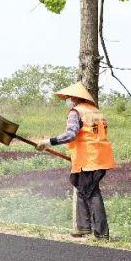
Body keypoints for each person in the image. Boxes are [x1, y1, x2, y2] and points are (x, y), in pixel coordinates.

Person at [38, 82, 115, 239]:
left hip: (89, 159)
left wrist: (48, 141)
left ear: (75, 98)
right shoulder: (95, 111)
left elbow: (71, 134)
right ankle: (83, 227)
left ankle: (101, 234)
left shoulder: (76, 112)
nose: (68, 100)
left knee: (92, 193)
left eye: (69, 98)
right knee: (81, 188)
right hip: (100, 157)